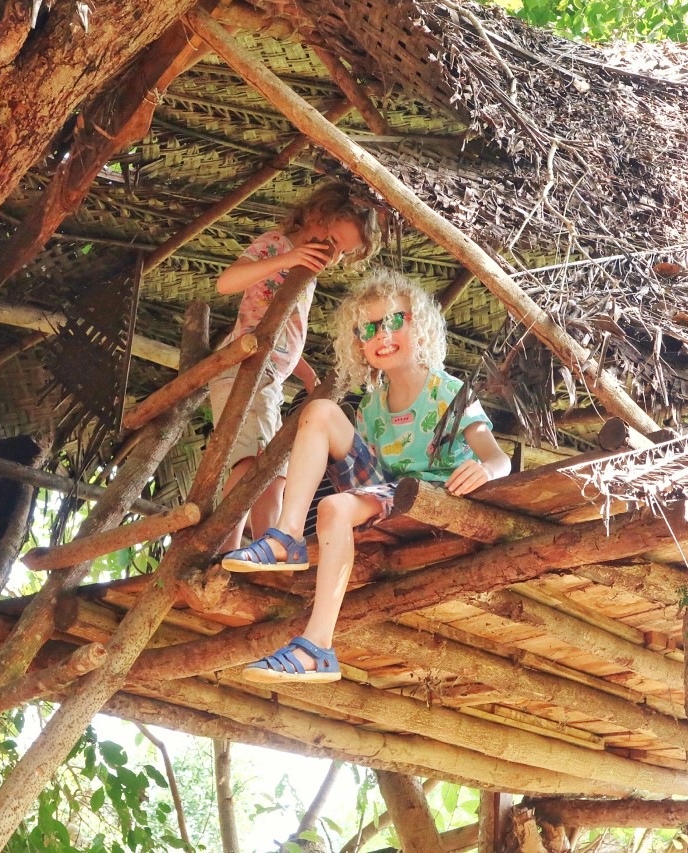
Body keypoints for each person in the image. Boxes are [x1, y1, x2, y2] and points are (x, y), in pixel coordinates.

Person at [221, 270, 511, 683]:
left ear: (419, 326)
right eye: (367, 329)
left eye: (393, 321)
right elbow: (370, 478)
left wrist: (483, 471)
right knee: (319, 411)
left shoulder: (449, 391)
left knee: (335, 507)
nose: (381, 335)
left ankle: (316, 642)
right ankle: (289, 547)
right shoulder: (370, 408)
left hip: (432, 496)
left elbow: (500, 460)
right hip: (388, 492)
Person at [209, 182, 380, 552]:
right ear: (316, 215)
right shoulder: (279, 246)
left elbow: (274, 325)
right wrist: (287, 259)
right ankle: (229, 549)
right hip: (244, 369)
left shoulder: (305, 267)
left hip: (267, 373)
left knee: (273, 468)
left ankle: (262, 545)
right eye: (333, 239)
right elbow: (226, 283)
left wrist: (302, 372)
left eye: (343, 251)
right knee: (250, 462)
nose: (333, 254)